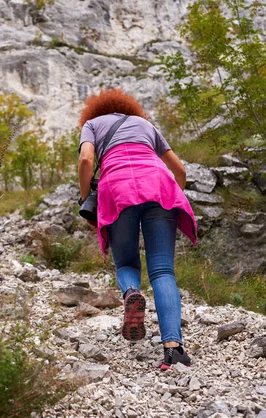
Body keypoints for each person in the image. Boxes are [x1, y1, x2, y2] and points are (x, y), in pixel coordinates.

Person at [77, 89, 198, 370]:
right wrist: (165, 196)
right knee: (163, 270)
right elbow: (180, 171)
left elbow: (85, 161)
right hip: (159, 186)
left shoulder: (92, 125)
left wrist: (85, 198)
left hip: (117, 188)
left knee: (128, 262)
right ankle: (174, 350)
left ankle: (131, 292)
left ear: (94, 111)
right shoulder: (145, 125)